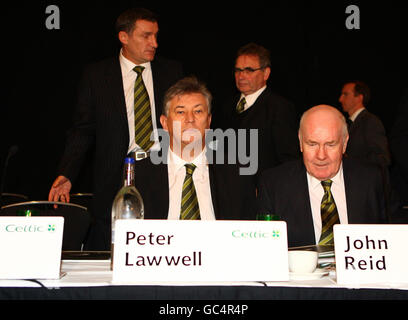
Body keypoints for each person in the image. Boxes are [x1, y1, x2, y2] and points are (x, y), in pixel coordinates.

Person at [48, 8, 184, 250]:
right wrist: (67, 173)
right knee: (115, 247)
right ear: (124, 37)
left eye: (156, 35)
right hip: (115, 176)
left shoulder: (172, 72)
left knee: (160, 243)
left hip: (162, 171)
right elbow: (83, 129)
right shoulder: (97, 75)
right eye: (146, 36)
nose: (154, 43)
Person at [257, 105, 390, 248]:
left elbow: (393, 238)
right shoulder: (273, 184)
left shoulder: (372, 179)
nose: (321, 155)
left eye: (330, 144)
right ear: (300, 142)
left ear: (344, 143)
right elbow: (265, 250)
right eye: (312, 144)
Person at [131, 76, 257, 225]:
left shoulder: (235, 173)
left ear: (209, 121)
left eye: (198, 111)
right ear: (165, 123)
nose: (190, 119)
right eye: (180, 112)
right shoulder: (139, 176)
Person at [213, 43, 299, 177]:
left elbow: (288, 159)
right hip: (228, 189)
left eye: (249, 70)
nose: (241, 76)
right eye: (238, 70)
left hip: (262, 192)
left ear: (266, 73)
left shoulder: (279, 108)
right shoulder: (226, 106)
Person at [339, 80, 391, 168]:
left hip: (364, 179)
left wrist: (348, 159)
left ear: (359, 97)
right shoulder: (347, 123)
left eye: (345, 94)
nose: (340, 99)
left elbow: (383, 159)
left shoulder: (371, 122)